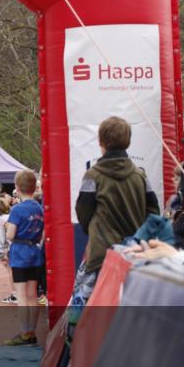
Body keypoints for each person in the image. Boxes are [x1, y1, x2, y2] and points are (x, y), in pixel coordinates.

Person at [74, 116, 160, 286]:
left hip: (101, 256)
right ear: (128, 142)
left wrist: (92, 231)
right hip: (134, 255)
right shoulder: (140, 176)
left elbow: (82, 212)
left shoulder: (93, 175)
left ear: (100, 142)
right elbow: (153, 212)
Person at [4, 169, 44, 346]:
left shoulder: (17, 209)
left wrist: (7, 229)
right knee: (32, 295)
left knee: (21, 295)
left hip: (20, 252)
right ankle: (32, 331)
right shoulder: (39, 208)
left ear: (17, 188)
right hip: (35, 252)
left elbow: (11, 235)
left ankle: (24, 332)